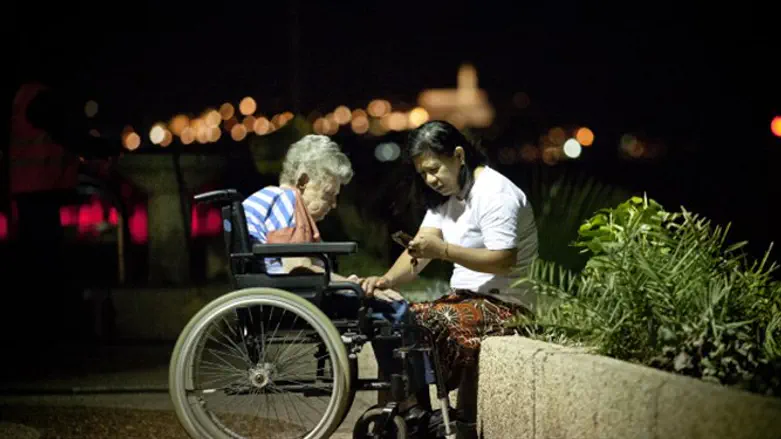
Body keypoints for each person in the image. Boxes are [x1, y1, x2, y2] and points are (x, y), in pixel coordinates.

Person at [354, 120, 539, 428]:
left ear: (458, 155)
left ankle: (416, 418)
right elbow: (420, 252)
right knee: (387, 317)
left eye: (434, 169)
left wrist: (443, 251)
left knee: (421, 322)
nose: (430, 180)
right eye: (423, 173)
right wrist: (385, 280)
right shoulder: (446, 198)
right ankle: (404, 415)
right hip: (465, 300)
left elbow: (504, 260)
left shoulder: (495, 193)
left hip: (506, 306)